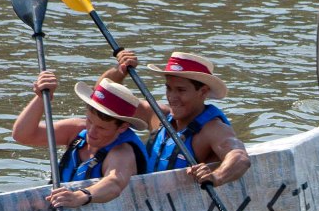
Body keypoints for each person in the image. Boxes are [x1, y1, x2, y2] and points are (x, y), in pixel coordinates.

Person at [99, 49, 250, 187]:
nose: (172, 97)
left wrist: (216, 177)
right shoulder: (158, 116)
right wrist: (120, 72)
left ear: (203, 92)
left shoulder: (213, 129)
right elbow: (100, 100)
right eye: (169, 88)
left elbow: (240, 157)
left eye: (181, 90)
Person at [12, 71, 147, 208]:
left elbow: (115, 183)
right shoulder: (77, 129)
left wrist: (80, 196)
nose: (91, 131)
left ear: (122, 127)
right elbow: (23, 135)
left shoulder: (122, 152)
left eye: (102, 128)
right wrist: (40, 98)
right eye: (89, 120)